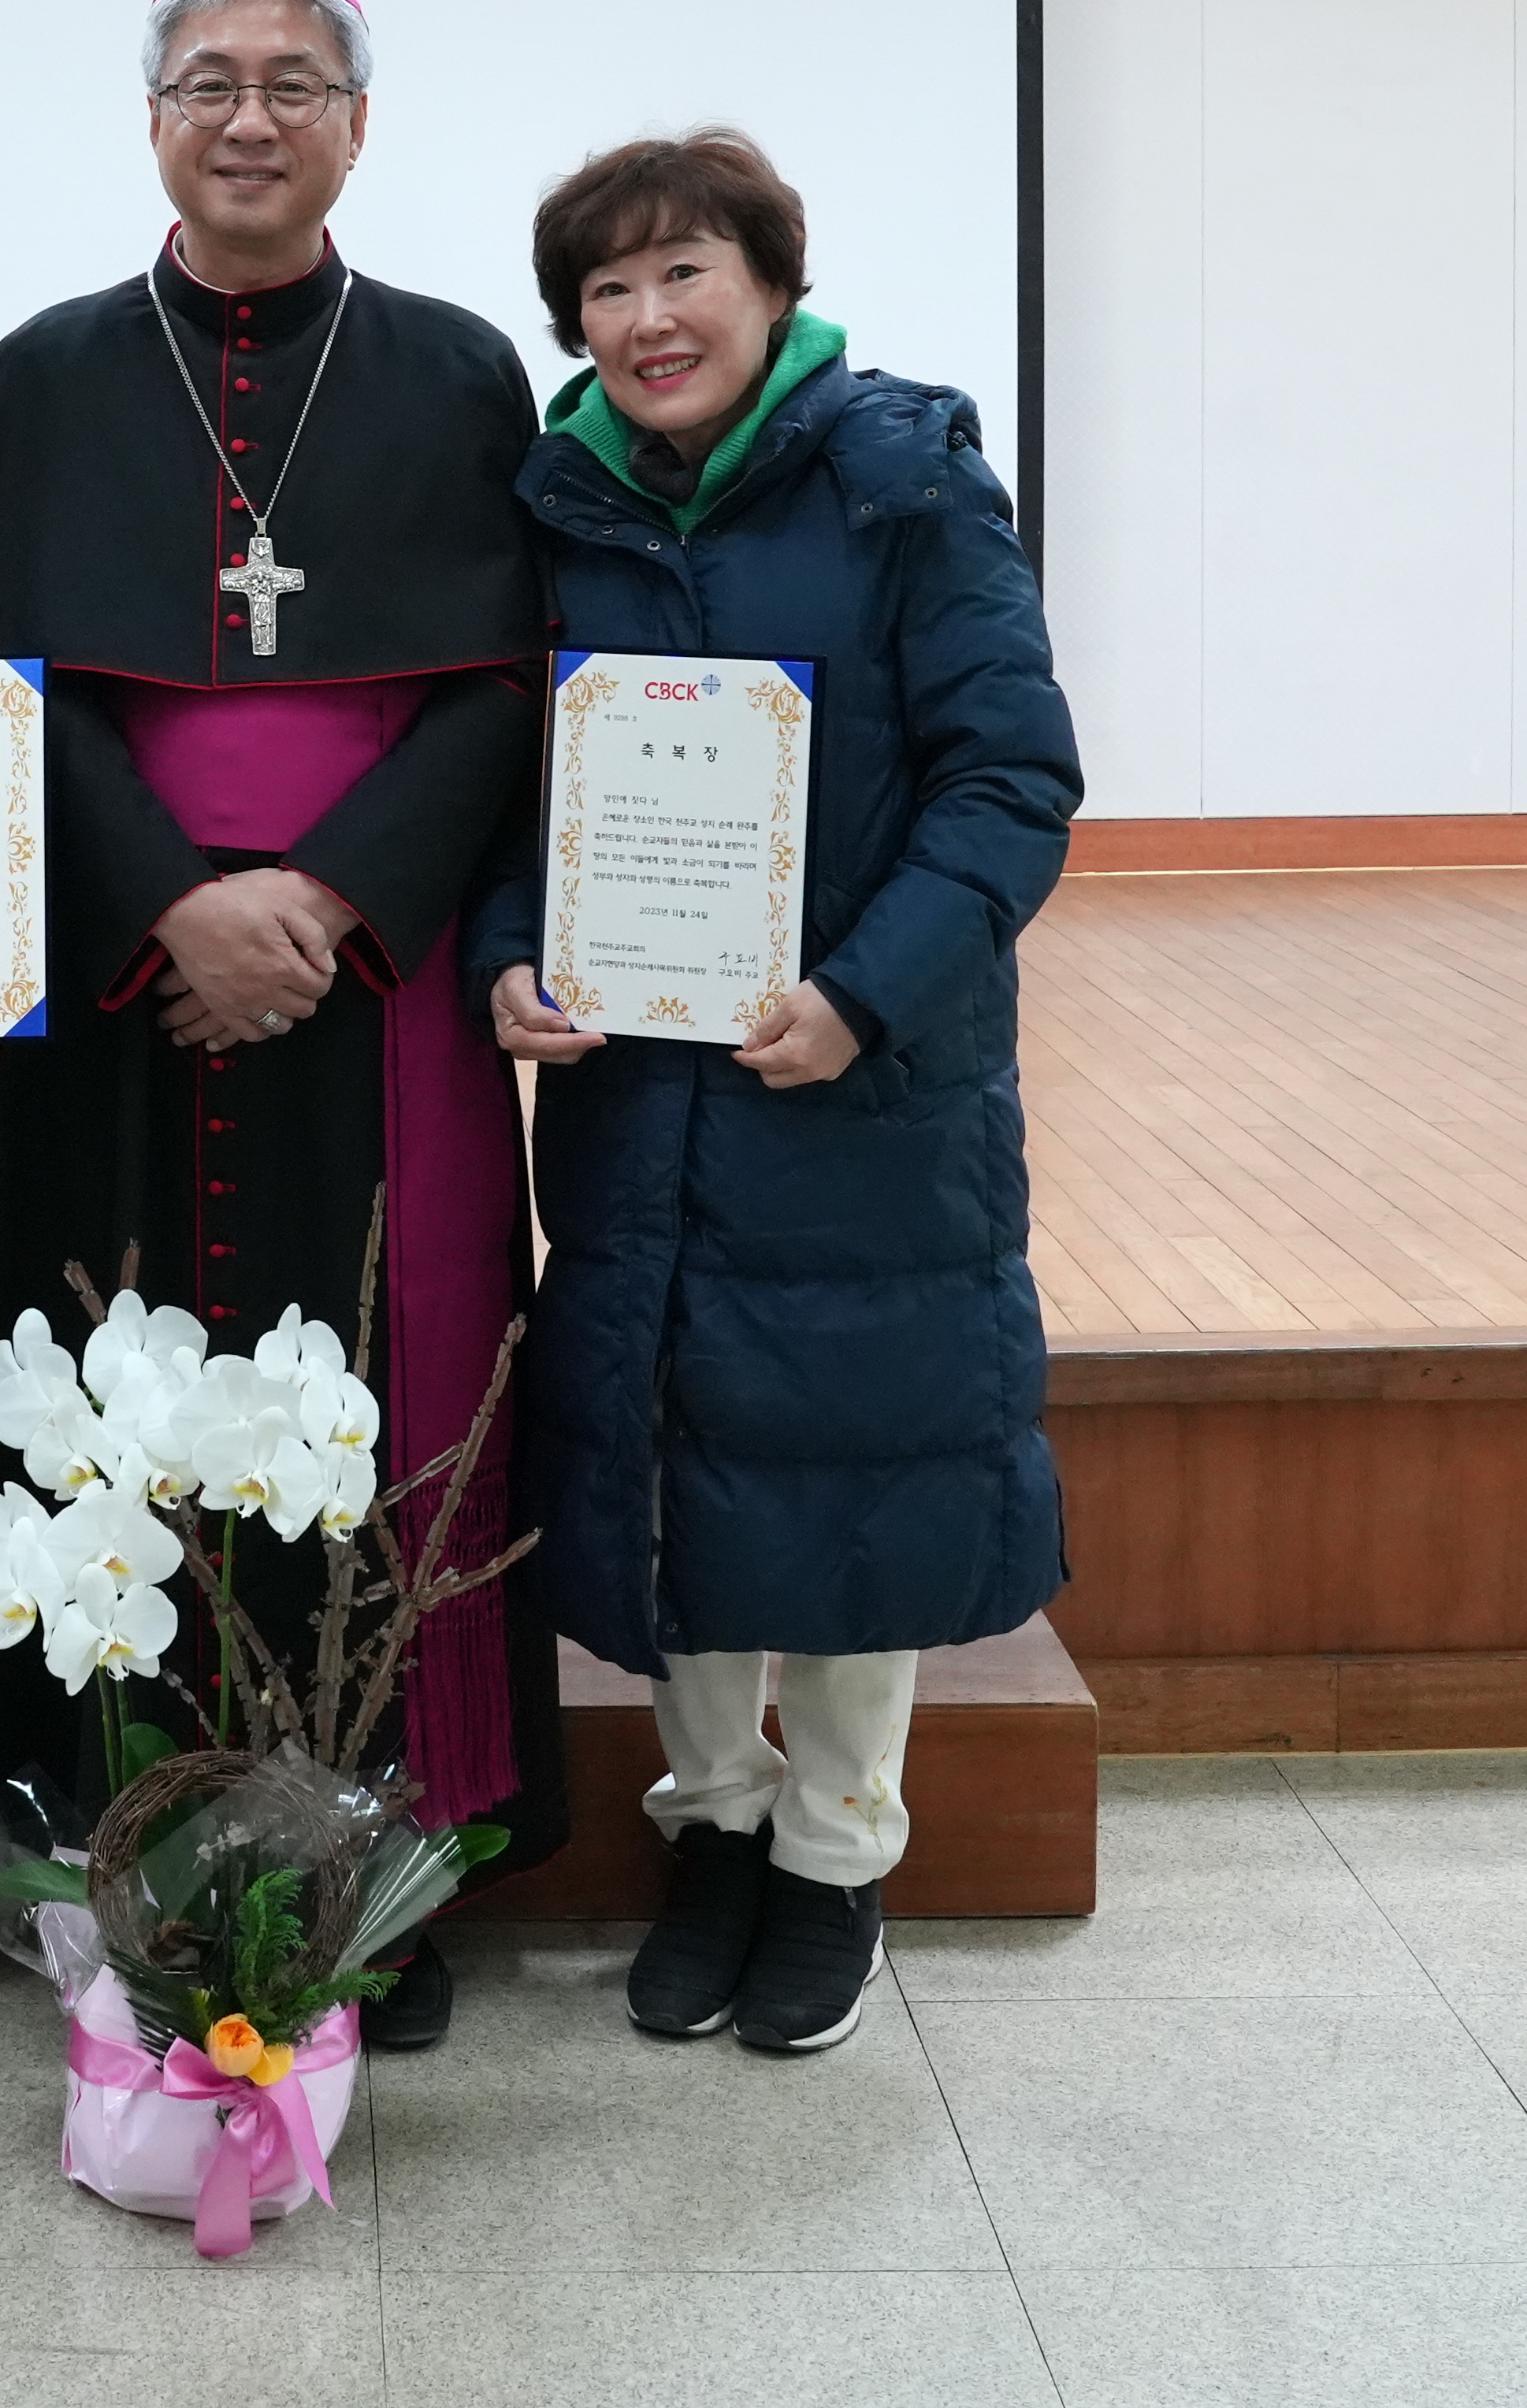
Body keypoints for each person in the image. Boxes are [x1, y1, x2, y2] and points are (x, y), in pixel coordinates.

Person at [0, 0, 566, 2051]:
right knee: (103, 1403)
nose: (250, 114)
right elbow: (7, 686)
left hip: (382, 999)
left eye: (293, 81)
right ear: (154, 120)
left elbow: (498, 694)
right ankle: (96, 1845)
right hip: (127, 996)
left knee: (384, 1396)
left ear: (358, 124)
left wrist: (334, 902)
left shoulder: (459, 371)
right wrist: (173, 906)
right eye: (208, 80)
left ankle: (380, 1867)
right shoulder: (59, 371)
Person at [474, 128, 1079, 2057]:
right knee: (676, 1447)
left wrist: (863, 995)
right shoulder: (556, 503)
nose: (649, 320)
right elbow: (518, 788)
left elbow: (1010, 779)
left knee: (845, 1465)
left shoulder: (904, 479)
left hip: (858, 1086)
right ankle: (713, 1829)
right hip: (647, 1090)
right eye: (608, 288)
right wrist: (511, 947)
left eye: (685, 274)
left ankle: (834, 1853)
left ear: (774, 285)